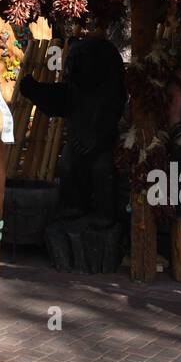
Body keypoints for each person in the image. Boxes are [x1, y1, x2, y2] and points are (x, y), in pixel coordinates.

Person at [20, 23, 126, 220]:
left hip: (102, 144)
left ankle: (106, 214)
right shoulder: (77, 84)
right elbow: (60, 100)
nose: (69, 69)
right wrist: (35, 90)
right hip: (78, 141)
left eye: (74, 62)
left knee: (102, 169)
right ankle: (75, 206)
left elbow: (112, 115)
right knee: (67, 164)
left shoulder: (109, 87)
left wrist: (97, 140)